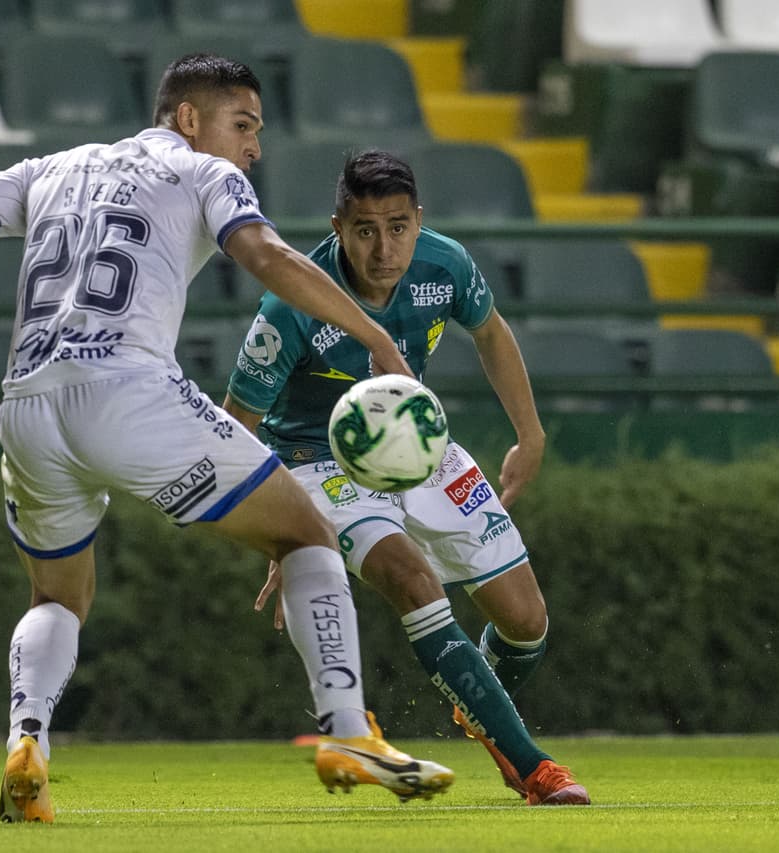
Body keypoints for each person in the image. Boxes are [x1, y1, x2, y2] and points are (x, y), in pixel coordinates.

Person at [0, 56, 456, 823]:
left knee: (58, 593)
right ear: (189, 120)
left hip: (27, 405)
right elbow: (265, 256)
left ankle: (27, 740)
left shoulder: (50, 168)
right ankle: (350, 731)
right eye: (244, 124)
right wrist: (375, 336)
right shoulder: (204, 172)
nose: (253, 147)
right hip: (128, 391)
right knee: (306, 535)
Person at [223, 150, 591, 806]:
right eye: (365, 229)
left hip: (421, 446)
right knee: (413, 579)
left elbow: (492, 333)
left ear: (418, 221)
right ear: (338, 227)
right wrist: (280, 523)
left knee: (527, 625)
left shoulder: (443, 264)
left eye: (398, 226)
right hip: (316, 462)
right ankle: (530, 767)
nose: (384, 247)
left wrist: (530, 435)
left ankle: (474, 694)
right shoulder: (293, 304)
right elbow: (235, 424)